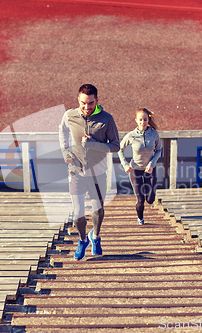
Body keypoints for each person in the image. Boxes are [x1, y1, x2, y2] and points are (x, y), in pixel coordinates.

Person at [59, 84, 120, 260]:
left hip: (98, 173)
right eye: (83, 103)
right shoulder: (69, 115)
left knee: (98, 210)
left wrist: (93, 144)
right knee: (77, 214)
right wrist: (64, 151)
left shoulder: (107, 119)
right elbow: (62, 131)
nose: (87, 107)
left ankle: (96, 236)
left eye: (91, 103)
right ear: (78, 100)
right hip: (76, 171)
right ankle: (83, 239)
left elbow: (115, 146)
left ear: (97, 100)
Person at [118, 108, 162, 225]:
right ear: (136, 121)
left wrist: (151, 164)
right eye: (141, 120)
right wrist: (125, 165)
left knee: (150, 199)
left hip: (150, 169)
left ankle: (150, 196)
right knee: (141, 200)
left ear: (148, 120)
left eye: (145, 120)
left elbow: (158, 151)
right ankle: (140, 219)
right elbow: (119, 149)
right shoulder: (131, 136)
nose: (143, 122)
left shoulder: (154, 134)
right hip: (135, 170)